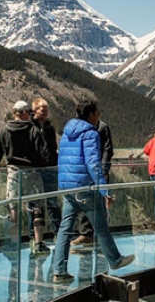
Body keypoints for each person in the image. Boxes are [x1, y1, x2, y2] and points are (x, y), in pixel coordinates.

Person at [52, 95, 134, 281]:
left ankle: (59, 270)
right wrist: (105, 190)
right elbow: (93, 164)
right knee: (101, 225)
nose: (98, 117)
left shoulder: (66, 133)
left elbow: (62, 161)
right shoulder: (90, 133)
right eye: (97, 113)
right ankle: (115, 260)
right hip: (85, 186)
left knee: (65, 229)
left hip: (67, 187)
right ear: (90, 115)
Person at [0, 100, 50, 254]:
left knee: (13, 209)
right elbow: (44, 155)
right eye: (29, 112)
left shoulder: (4, 130)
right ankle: (38, 243)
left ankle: (12, 245)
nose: (30, 115)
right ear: (23, 113)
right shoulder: (34, 130)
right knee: (37, 208)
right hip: (32, 173)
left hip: (13, 172)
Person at [71, 118, 114, 251]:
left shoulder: (102, 127)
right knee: (86, 202)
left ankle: (99, 235)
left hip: (97, 172)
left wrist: (104, 170)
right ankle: (86, 233)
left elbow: (108, 149)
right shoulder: (80, 129)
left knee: (100, 204)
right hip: (84, 173)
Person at [31, 98, 62, 234]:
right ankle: (34, 236)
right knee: (35, 205)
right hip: (35, 170)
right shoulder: (30, 127)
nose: (45, 114)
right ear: (35, 110)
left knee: (53, 202)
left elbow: (53, 147)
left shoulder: (50, 128)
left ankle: (59, 232)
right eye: (43, 111)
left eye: (47, 111)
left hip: (50, 168)